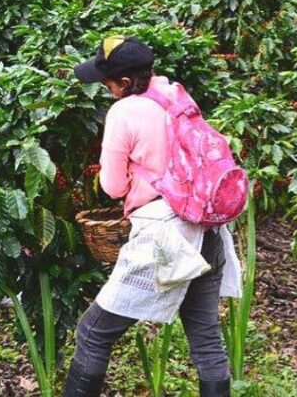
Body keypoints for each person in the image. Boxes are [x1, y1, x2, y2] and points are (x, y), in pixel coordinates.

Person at [63, 36, 240, 397]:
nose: (106, 89)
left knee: (93, 332)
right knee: (205, 336)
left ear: (125, 82)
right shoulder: (175, 94)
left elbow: (112, 187)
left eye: (108, 82)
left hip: (166, 234)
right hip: (208, 228)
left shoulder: (124, 112)